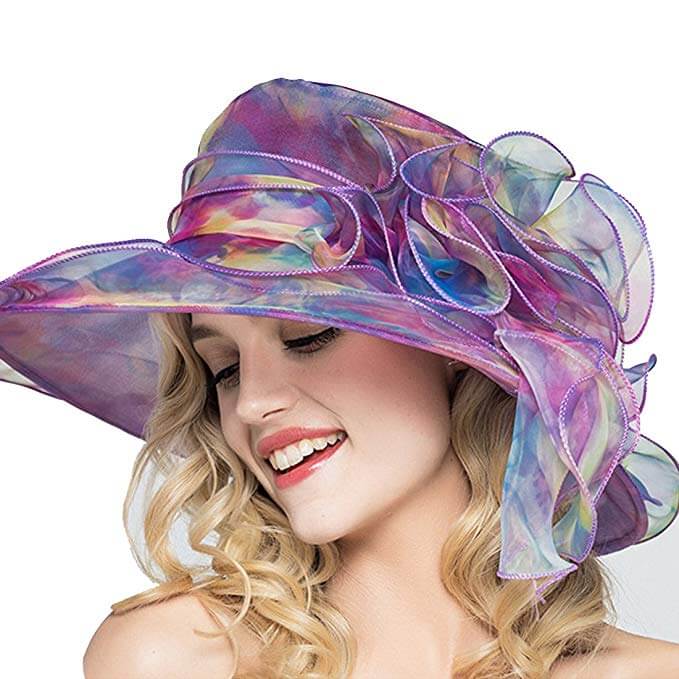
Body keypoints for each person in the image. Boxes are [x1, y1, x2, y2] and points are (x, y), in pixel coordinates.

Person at [1, 78, 678, 677]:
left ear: (452, 351)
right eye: (224, 370)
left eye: (307, 336)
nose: (253, 403)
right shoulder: (180, 659)